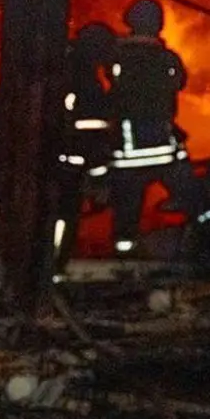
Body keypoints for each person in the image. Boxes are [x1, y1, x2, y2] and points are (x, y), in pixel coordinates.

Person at [105, 0, 210, 255]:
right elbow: (179, 83)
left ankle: (123, 255)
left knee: (127, 208)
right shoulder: (167, 59)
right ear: (159, 25)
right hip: (163, 144)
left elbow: (112, 80)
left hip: (128, 150)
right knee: (192, 195)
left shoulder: (118, 56)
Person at [52, 22, 118, 280]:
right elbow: (92, 132)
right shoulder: (86, 83)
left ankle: (48, 266)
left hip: (52, 161)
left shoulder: (63, 66)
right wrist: (100, 180)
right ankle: (53, 267)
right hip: (68, 165)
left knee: (51, 214)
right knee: (63, 215)